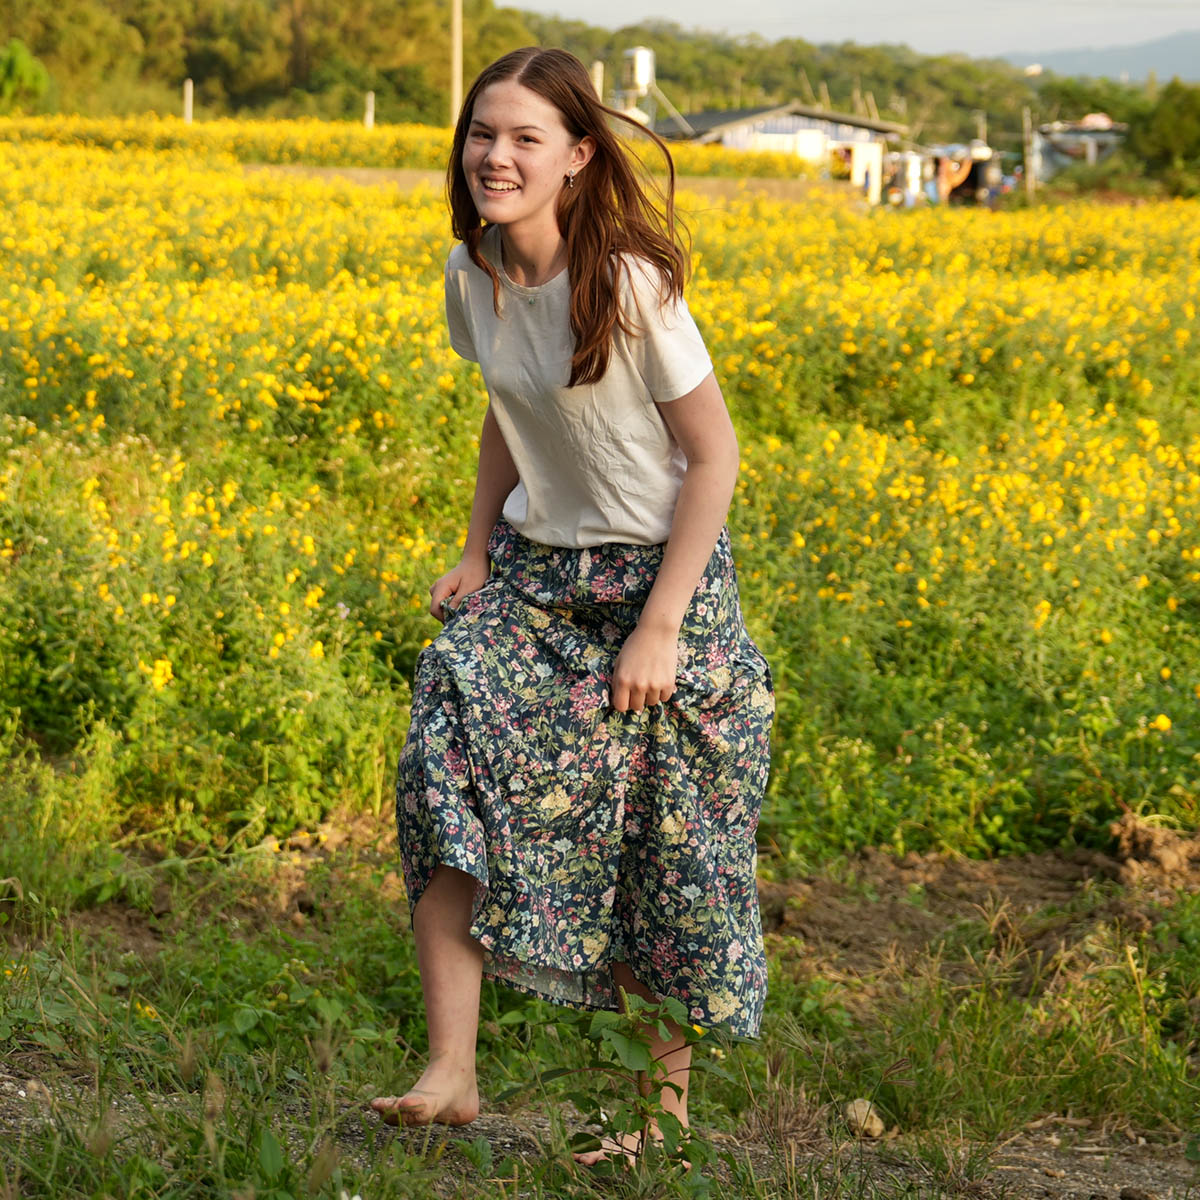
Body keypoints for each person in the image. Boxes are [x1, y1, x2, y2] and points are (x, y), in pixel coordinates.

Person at [370, 46, 774, 1166]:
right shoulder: (475, 271)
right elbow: (511, 403)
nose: (495, 156)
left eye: (525, 139)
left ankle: (656, 1123)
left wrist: (662, 625)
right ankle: (453, 1069)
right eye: (481, 134)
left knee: (664, 839)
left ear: (578, 157)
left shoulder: (629, 284)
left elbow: (716, 460)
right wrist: (475, 549)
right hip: (541, 579)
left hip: (661, 584)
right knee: (441, 739)